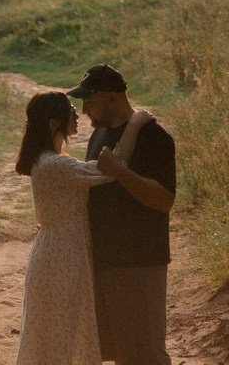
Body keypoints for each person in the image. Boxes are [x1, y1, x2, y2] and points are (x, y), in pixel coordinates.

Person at [13, 90, 154, 365]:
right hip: (60, 256)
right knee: (59, 333)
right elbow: (112, 168)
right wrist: (135, 124)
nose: (77, 114)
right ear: (54, 123)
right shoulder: (54, 164)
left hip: (60, 252)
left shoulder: (52, 160)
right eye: (70, 110)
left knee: (59, 333)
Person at [68, 64, 177, 365]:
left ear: (113, 97)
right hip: (104, 260)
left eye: (90, 101)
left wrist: (121, 173)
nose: (84, 109)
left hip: (139, 261)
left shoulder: (154, 136)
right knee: (116, 352)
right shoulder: (99, 133)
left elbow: (164, 200)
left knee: (145, 353)